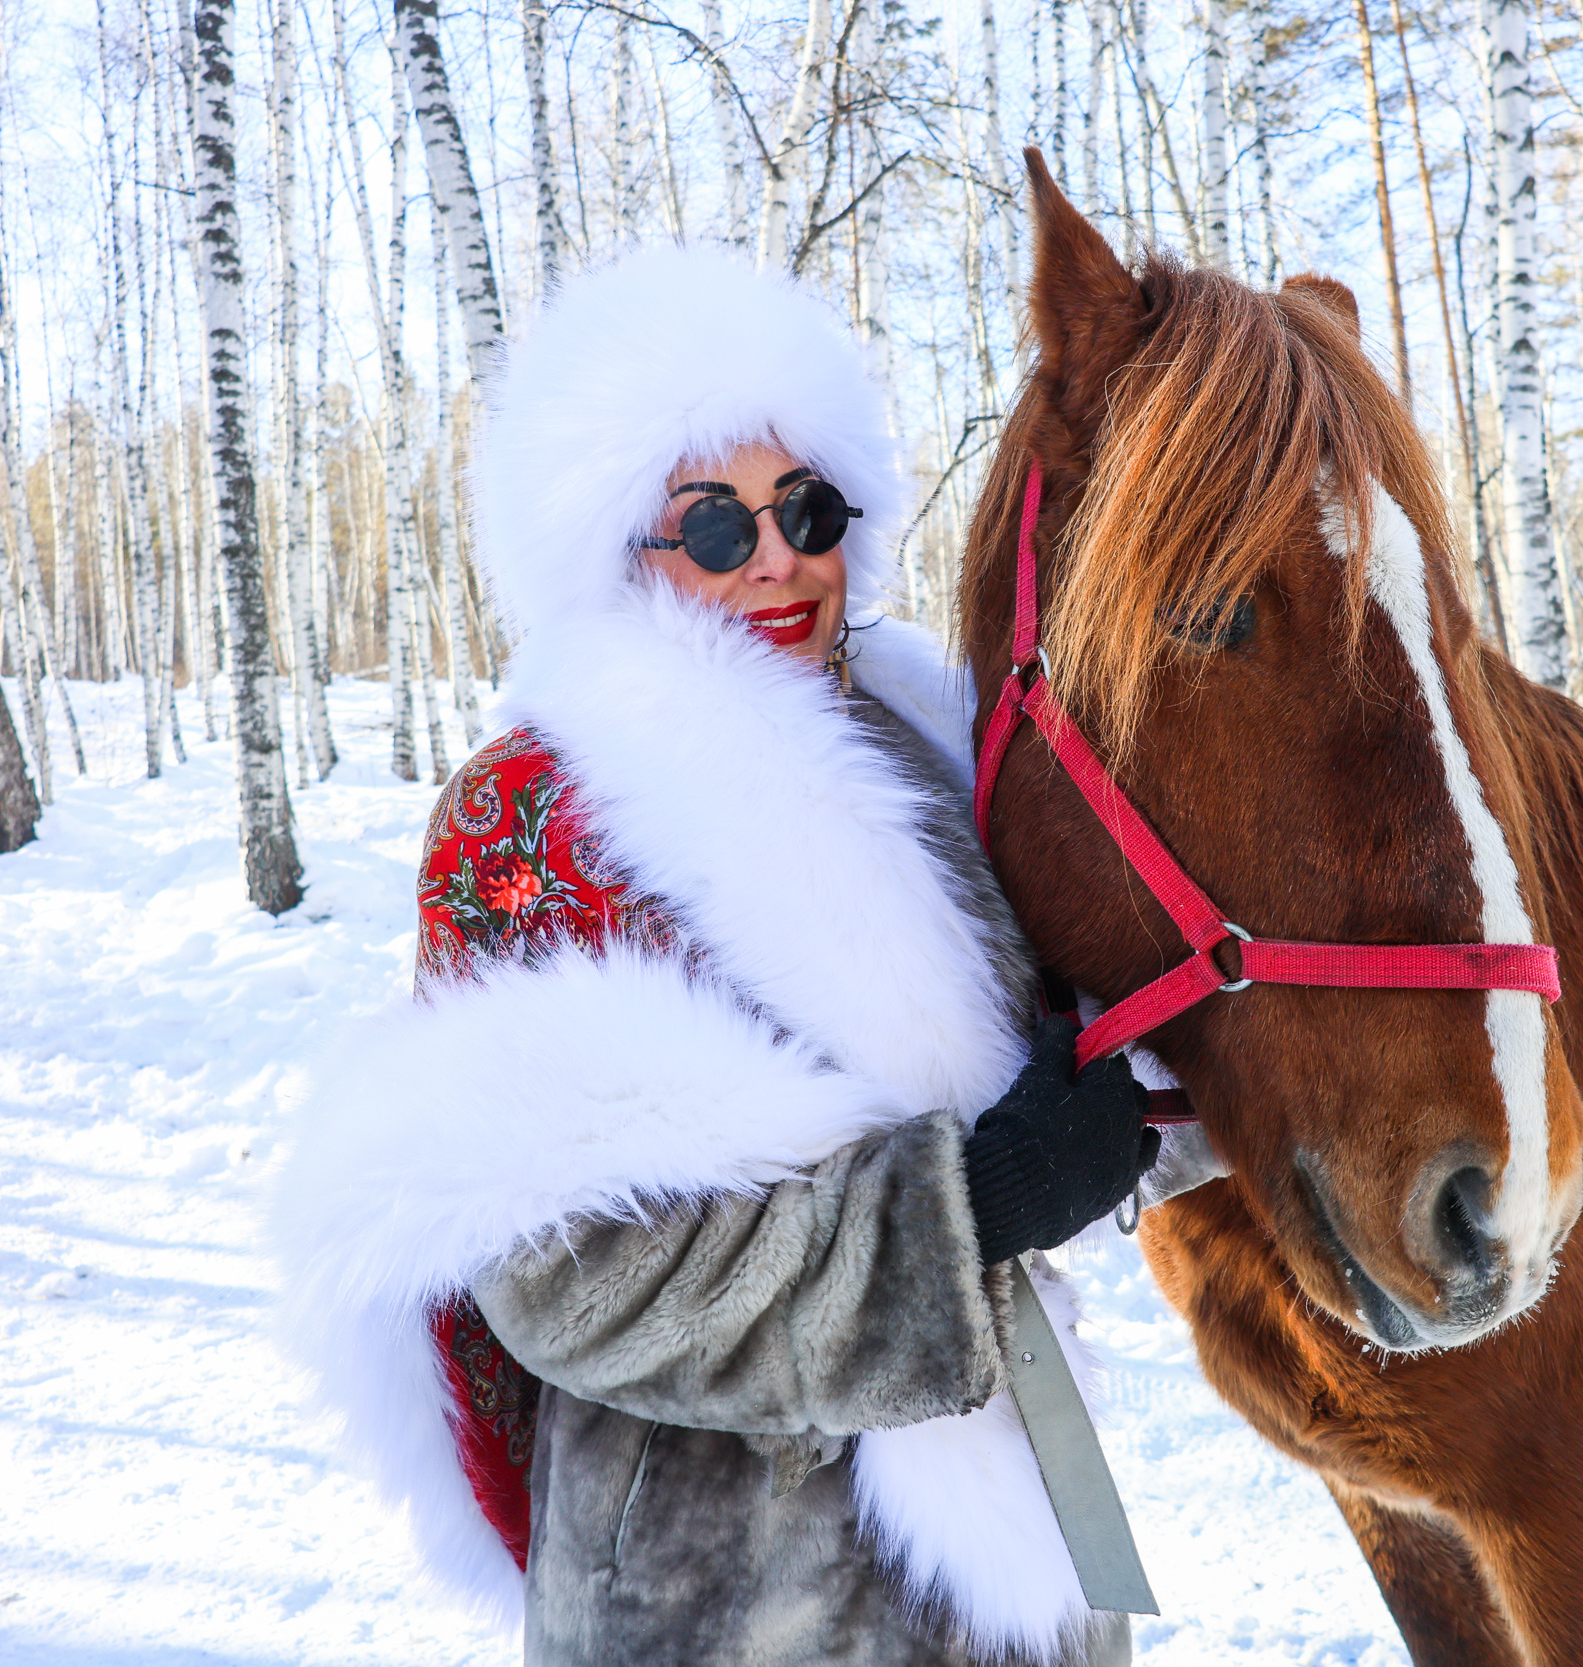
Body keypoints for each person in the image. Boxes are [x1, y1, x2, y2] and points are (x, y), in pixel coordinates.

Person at [270, 243, 1160, 1667]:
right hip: (719, 1600)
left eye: (806, 509)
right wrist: (968, 1210)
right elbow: (569, 1285)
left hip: (1004, 1560)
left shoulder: (937, 745)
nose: (782, 560)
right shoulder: (537, 814)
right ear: (617, 542)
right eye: (715, 527)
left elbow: (1089, 1050)